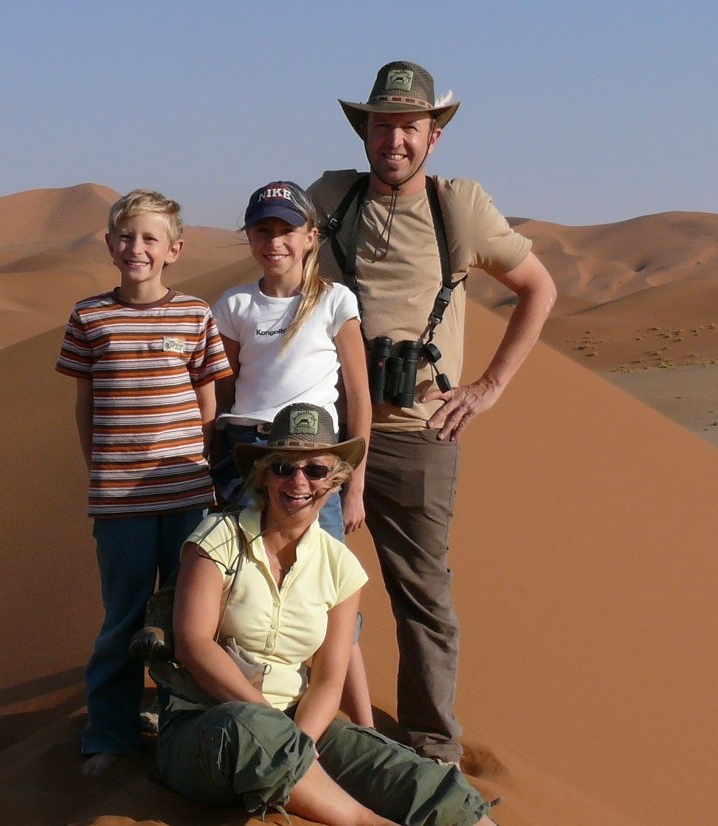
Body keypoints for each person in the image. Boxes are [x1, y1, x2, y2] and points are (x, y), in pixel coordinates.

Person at [308, 60, 558, 765]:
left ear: (433, 135)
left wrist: (489, 387)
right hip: (325, 434)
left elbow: (538, 289)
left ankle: (429, 750)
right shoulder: (328, 197)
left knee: (422, 598)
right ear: (366, 131)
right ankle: (314, 728)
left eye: (409, 126)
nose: (395, 139)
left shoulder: (461, 208)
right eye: (383, 125)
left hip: (421, 433)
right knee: (308, 584)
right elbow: (268, 247)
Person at [157, 403, 497, 826]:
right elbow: (193, 645)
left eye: (315, 470)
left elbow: (328, 679)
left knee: (413, 776)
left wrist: (301, 739)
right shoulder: (218, 538)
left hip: (300, 728)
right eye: (282, 467)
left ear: (336, 481)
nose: (298, 481)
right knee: (250, 731)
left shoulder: (341, 568)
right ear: (263, 473)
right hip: (206, 730)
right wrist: (281, 736)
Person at [56, 189, 232, 776]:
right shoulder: (89, 317)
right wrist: (101, 475)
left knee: (189, 621)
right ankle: (109, 734)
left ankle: (183, 722)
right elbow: (84, 408)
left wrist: (204, 474)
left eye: (150, 239)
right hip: (120, 502)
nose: (137, 248)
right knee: (124, 620)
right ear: (109, 245)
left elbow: (210, 407)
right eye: (126, 237)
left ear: (174, 250)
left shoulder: (195, 314)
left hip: (187, 497)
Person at [209, 179, 376, 727]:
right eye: (262, 230)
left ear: (310, 236)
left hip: (315, 462)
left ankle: (363, 729)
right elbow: (224, 391)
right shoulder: (234, 304)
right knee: (239, 585)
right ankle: (244, 711)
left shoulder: (334, 300)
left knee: (331, 598)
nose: (274, 241)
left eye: (286, 229)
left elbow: (358, 395)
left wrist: (354, 484)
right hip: (250, 455)